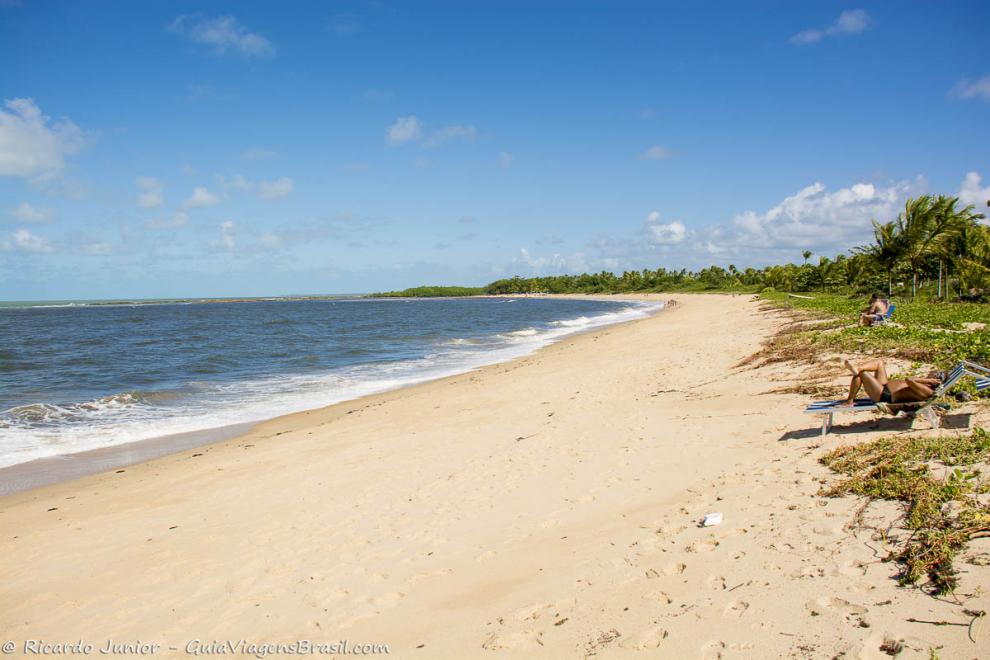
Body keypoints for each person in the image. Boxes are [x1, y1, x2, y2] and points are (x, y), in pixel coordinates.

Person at [839, 359, 943, 407]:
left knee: (862, 374)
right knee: (879, 363)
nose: (932, 372)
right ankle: (857, 368)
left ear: (936, 379)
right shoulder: (926, 385)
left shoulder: (928, 390)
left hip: (884, 396)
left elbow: (909, 380)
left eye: (935, 373)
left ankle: (849, 401)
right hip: (884, 386)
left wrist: (928, 380)